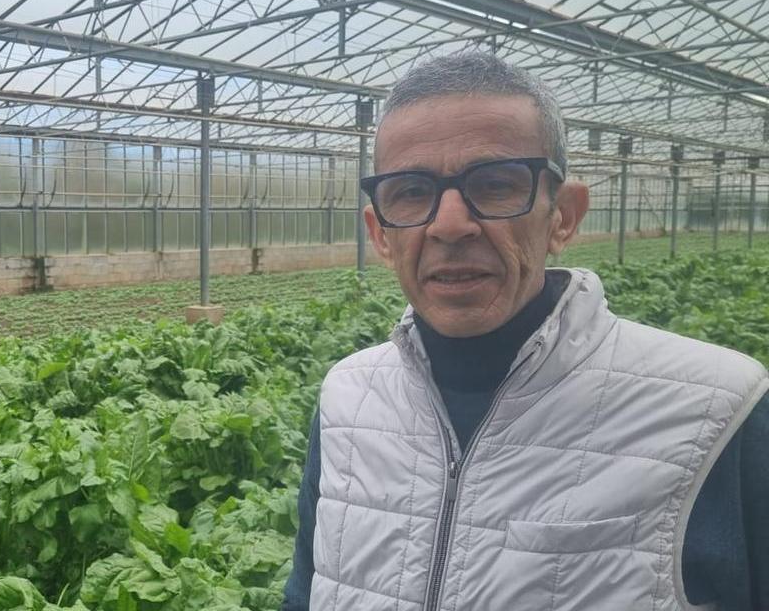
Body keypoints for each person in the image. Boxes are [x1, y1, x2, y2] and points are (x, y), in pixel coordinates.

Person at [281, 51, 769, 611]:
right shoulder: (348, 396)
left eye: (494, 185)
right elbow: (307, 592)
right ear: (381, 233)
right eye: (411, 192)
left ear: (562, 215)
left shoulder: (720, 411)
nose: (450, 225)